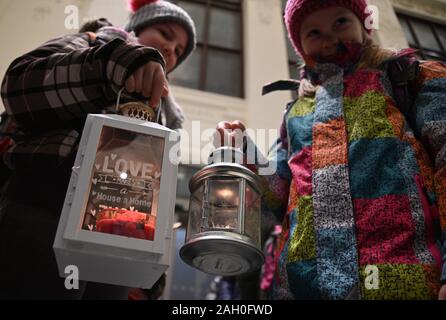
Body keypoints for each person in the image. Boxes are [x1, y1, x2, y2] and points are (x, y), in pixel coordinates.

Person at [215, 0, 446, 299]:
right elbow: (275, 198)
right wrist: (244, 153)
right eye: (313, 32)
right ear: (300, 47)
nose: (330, 38)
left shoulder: (409, 78)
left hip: (404, 279)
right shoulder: (296, 113)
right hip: (303, 287)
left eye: (340, 22)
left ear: (363, 25)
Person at [0, 0, 196, 299]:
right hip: (42, 211)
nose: (172, 49)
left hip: (118, 248)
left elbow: (158, 197)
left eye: (179, 50)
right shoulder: (92, 44)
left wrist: (150, 275)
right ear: (136, 27)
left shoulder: (169, 114)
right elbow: (19, 87)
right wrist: (114, 64)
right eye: (165, 34)